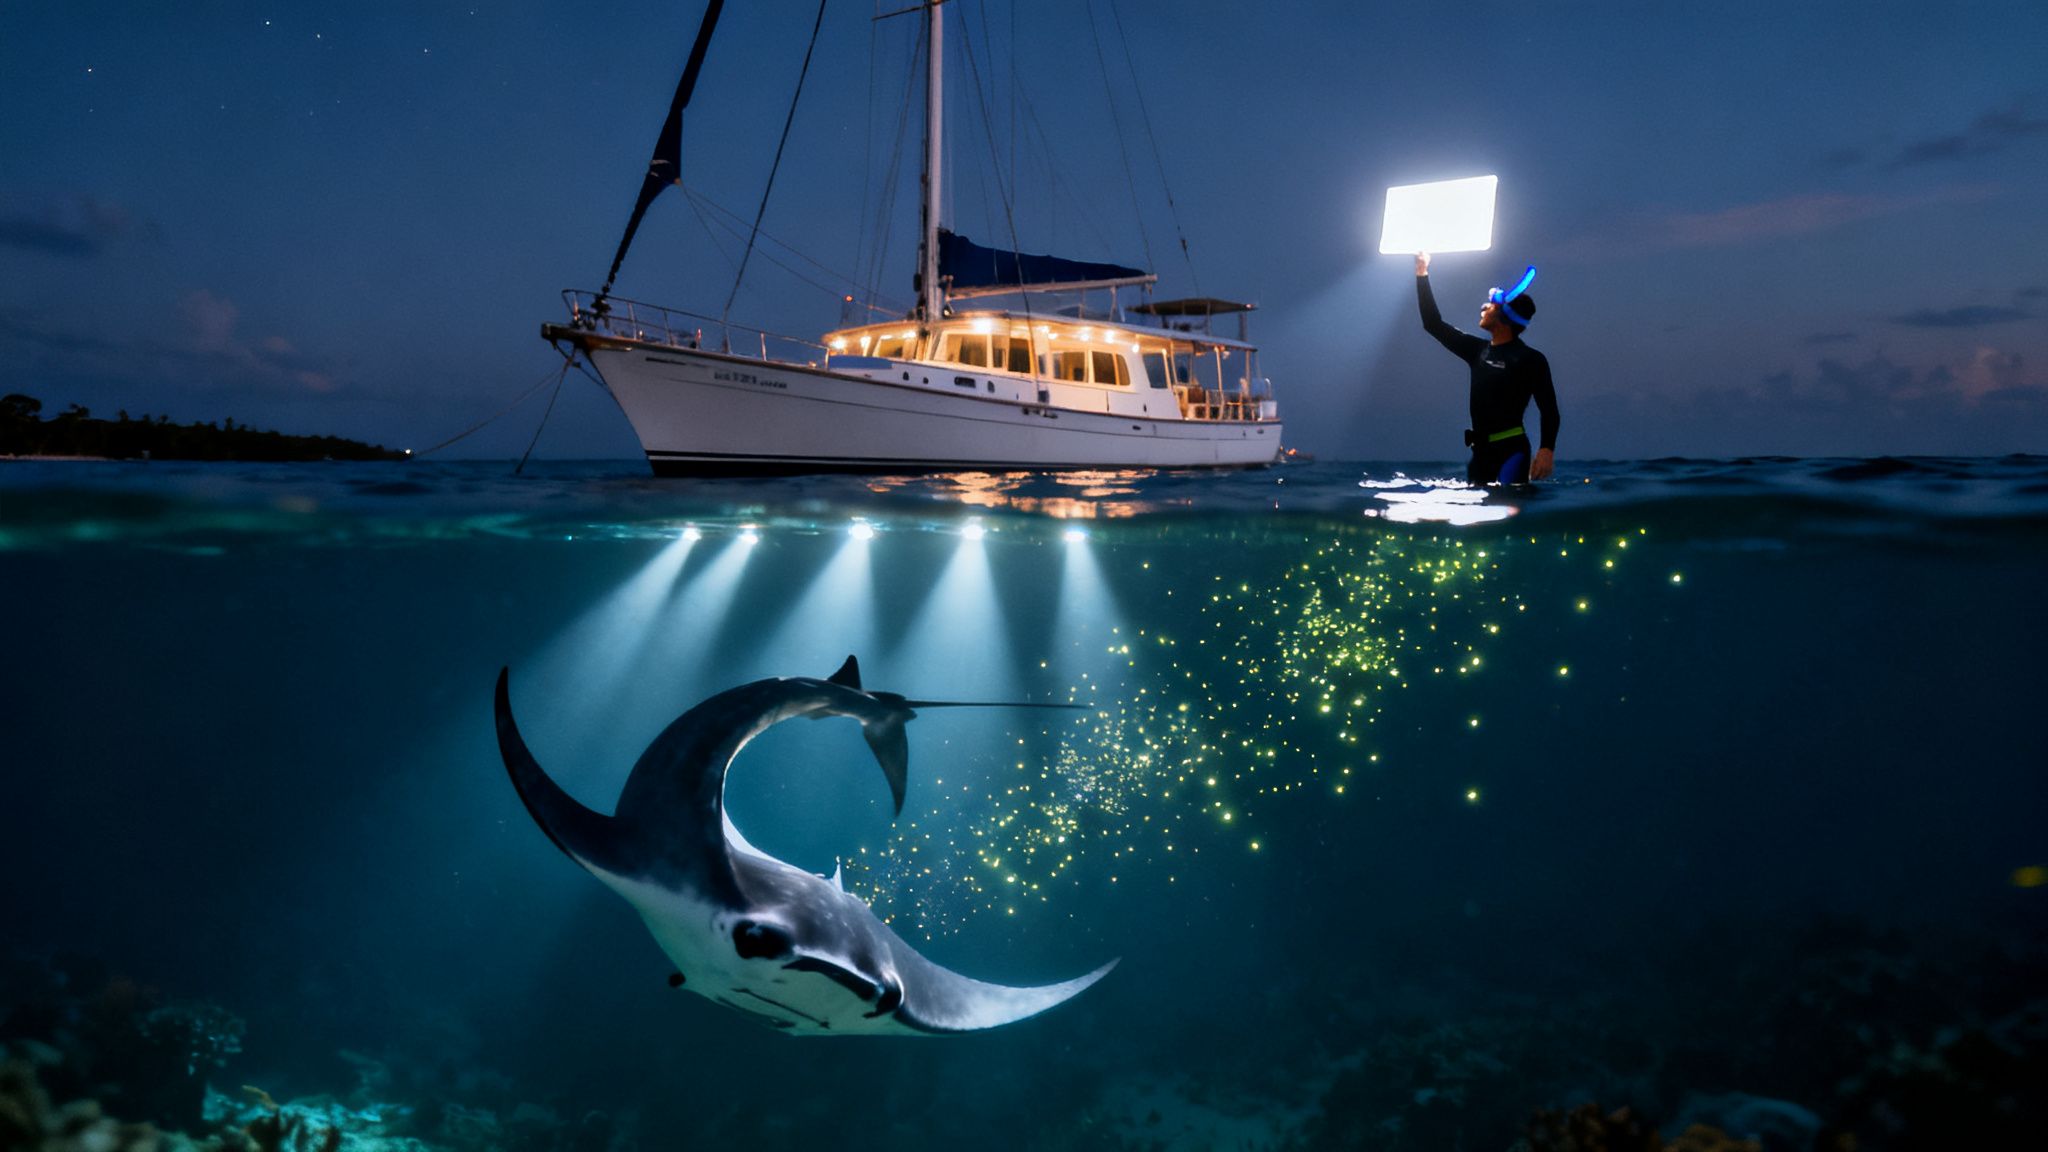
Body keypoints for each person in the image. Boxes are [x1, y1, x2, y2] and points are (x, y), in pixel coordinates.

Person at [1415, 252, 1559, 484]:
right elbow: (1432, 324)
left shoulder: (1531, 359)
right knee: (1478, 505)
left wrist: (1546, 450)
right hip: (1480, 453)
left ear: (1504, 318)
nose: (1483, 308)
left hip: (1512, 451)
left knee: (1509, 503)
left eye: (1491, 306)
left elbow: (1549, 410)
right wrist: (1422, 273)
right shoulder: (1477, 350)